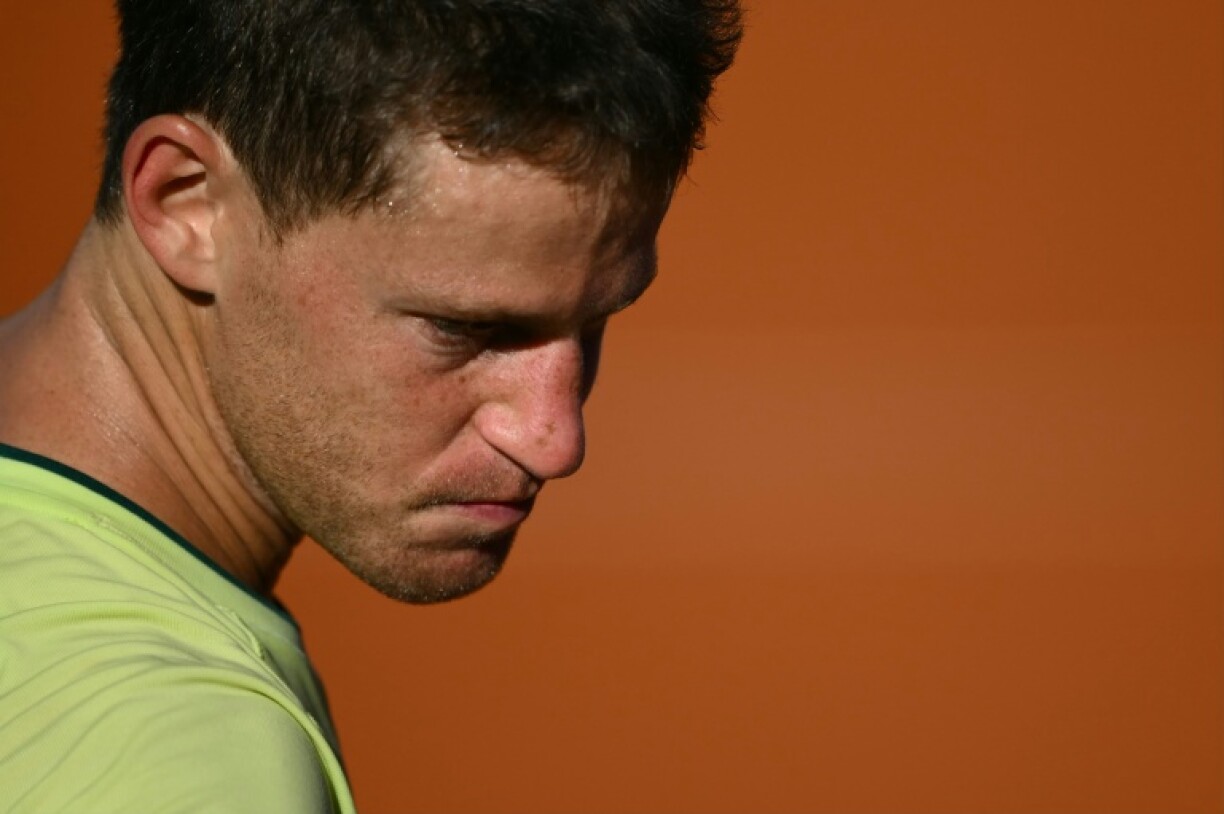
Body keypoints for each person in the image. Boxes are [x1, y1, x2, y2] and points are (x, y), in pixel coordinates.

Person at [0, 0, 741, 811]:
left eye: (596, 321)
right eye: (466, 328)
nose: (554, 439)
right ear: (188, 203)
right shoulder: (188, 757)